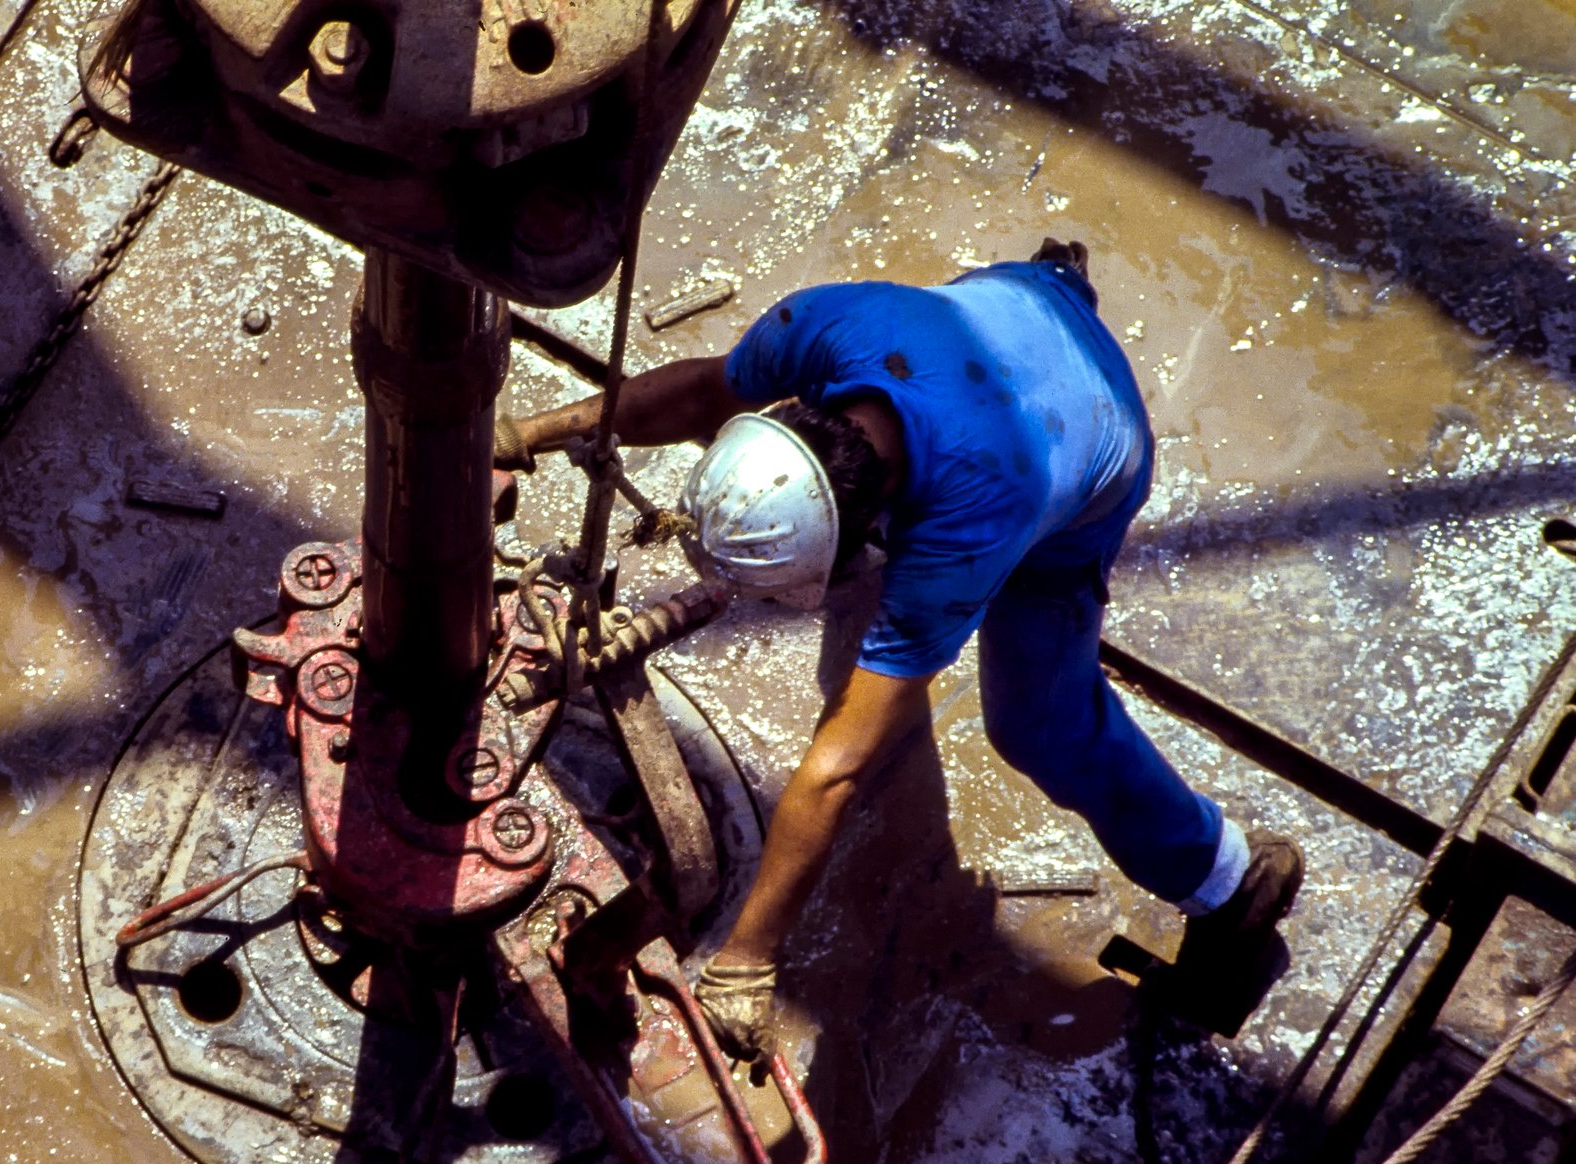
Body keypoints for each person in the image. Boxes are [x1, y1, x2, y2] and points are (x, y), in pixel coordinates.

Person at [496, 240, 1303, 1059]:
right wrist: (530, 432)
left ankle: (1228, 879)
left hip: (1090, 430)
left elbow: (838, 766)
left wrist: (747, 959)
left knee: (1037, 723)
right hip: (1011, 309)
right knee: (874, 653)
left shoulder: (964, 533)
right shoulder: (818, 330)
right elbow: (706, 391)